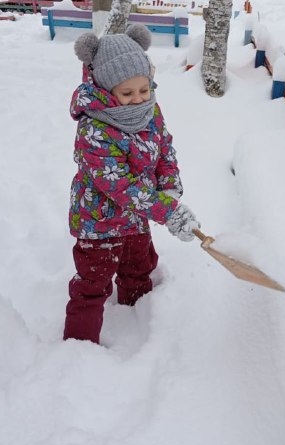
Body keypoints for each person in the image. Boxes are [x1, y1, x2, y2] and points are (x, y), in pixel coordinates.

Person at [64, 23, 200, 344]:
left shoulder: (149, 109)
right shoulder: (94, 129)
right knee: (92, 285)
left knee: (139, 270)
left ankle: (139, 325)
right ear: (105, 88)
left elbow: (164, 146)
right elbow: (120, 186)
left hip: (137, 218)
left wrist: (169, 187)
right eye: (127, 93)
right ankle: (78, 350)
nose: (138, 99)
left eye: (144, 89)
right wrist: (166, 211)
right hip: (99, 223)